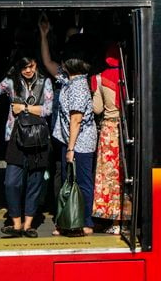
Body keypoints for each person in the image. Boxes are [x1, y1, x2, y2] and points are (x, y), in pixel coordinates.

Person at [0, 55, 53, 238]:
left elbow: (48, 109)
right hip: (16, 138)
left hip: (38, 139)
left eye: (31, 66)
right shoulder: (11, 82)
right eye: (24, 67)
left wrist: (24, 108)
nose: (28, 70)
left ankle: (28, 224)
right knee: (11, 182)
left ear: (36, 65)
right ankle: (16, 223)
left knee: (35, 182)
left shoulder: (45, 82)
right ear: (18, 68)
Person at [40, 19, 97, 236]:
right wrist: (43, 35)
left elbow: (76, 120)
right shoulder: (68, 80)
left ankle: (85, 222)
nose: (61, 62)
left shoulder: (79, 86)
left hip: (79, 143)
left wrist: (71, 149)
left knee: (81, 181)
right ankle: (67, 220)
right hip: (68, 140)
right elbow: (47, 62)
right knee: (67, 180)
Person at [91, 44, 123, 234]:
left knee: (108, 176)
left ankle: (110, 218)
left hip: (109, 130)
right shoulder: (130, 77)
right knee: (122, 175)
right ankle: (123, 220)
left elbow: (97, 109)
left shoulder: (99, 78)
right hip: (126, 129)